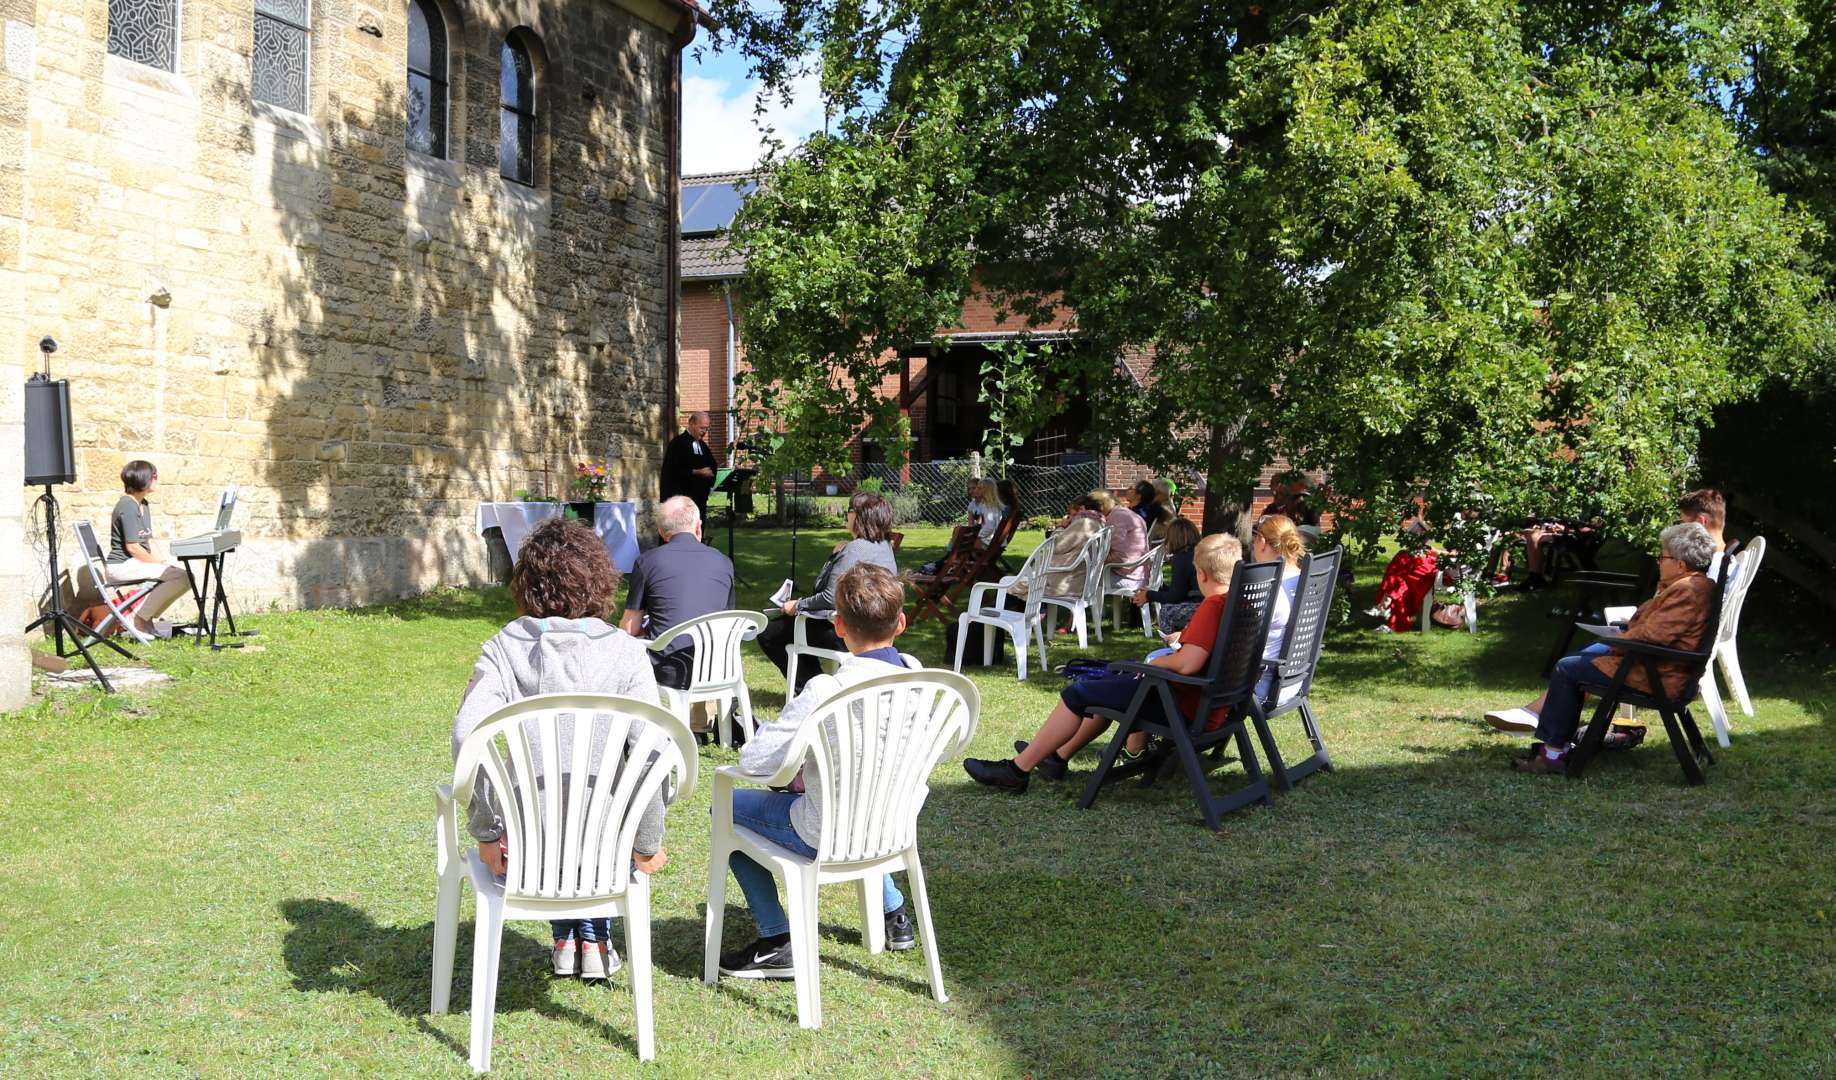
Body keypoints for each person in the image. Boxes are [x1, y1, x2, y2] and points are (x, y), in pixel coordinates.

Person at [452, 518, 669, 981]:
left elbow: (466, 735)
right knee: (594, 794)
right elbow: (654, 751)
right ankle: (592, 939)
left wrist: (487, 831)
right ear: (600, 579)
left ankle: (571, 939)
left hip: (524, 856)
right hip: (606, 855)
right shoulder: (626, 654)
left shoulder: (503, 649)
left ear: (526, 584)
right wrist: (647, 840)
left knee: (552, 795)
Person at [716, 564, 922, 977]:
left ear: (839, 625)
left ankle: (776, 939)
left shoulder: (826, 690)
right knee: (851, 801)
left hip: (825, 829)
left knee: (726, 807)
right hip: (892, 824)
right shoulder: (920, 678)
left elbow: (754, 762)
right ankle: (894, 910)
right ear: (900, 622)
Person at [962, 533, 1243, 793]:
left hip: (1180, 705)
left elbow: (1188, 664)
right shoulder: (1238, 602)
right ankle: (1055, 758)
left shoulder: (1213, 605)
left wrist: (1155, 666)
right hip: (1208, 704)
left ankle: (1016, 771)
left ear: (1201, 574)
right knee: (1105, 689)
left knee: (1079, 692)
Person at [1495, 522, 1719, 774]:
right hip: (1656, 665)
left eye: (1662, 556)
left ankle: (1553, 753)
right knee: (1587, 652)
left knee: (1566, 669)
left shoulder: (1688, 590)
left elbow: (1653, 637)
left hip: (1657, 674)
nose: (1658, 561)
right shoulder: (1689, 585)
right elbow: (1660, 630)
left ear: (1680, 564)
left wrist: (1618, 640)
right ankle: (1552, 735)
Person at [755, 490, 899, 695]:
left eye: (849, 511)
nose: (846, 515)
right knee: (790, 630)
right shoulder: (885, 547)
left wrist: (798, 605)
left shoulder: (855, 549)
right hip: (875, 627)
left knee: (768, 633)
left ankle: (808, 688)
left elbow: (829, 596)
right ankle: (813, 683)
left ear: (859, 516)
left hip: (842, 630)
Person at [620, 496, 737, 733]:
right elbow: (727, 619)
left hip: (670, 667)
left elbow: (628, 629)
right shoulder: (724, 563)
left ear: (662, 533)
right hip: (719, 665)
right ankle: (702, 722)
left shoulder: (648, 561)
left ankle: (631, 727)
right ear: (698, 527)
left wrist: (645, 630)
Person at [103, 460, 191, 639]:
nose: (156, 479)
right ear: (144, 479)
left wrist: (164, 563)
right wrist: (160, 566)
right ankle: (138, 618)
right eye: (154, 475)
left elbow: (148, 541)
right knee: (181, 576)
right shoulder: (127, 506)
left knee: (183, 577)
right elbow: (134, 547)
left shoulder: (143, 504)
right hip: (121, 566)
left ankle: (145, 617)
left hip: (135, 563)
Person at [1134, 517, 1203, 634]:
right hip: (1210, 602)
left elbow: (1175, 597)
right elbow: (1180, 590)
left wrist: (1149, 595)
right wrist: (1151, 593)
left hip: (1199, 606)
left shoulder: (1182, 558)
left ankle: (1172, 647)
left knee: (1167, 612)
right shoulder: (1198, 553)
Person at [660, 410, 716, 519]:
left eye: (707, 428)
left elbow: (712, 464)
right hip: (681, 500)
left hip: (699, 499)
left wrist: (710, 474)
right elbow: (672, 470)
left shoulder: (703, 446)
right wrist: (697, 472)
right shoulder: (678, 444)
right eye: (702, 428)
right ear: (691, 424)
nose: (704, 432)